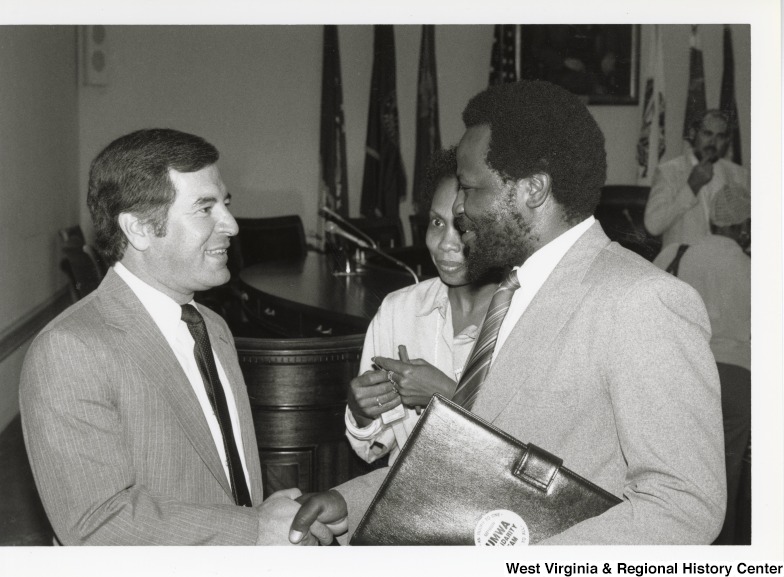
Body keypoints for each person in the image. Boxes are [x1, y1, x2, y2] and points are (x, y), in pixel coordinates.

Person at [290, 80, 726, 545]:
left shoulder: (642, 300)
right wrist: (351, 503)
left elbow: (684, 505)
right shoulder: (512, 290)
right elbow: (482, 461)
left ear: (533, 190)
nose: (458, 208)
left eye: (471, 189)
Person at [20, 128, 333, 546]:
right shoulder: (70, 350)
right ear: (139, 229)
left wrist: (267, 521)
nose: (232, 225)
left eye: (225, 203)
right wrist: (255, 530)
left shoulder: (213, 326)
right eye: (205, 208)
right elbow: (97, 526)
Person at [344, 148, 498, 465]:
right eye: (437, 223)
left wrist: (446, 396)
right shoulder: (398, 311)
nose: (445, 244)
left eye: (464, 226)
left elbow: (530, 452)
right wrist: (361, 411)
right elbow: (374, 446)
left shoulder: (526, 317)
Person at [653, 184, 751, 545]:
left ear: (710, 217)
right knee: (728, 476)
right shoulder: (757, 269)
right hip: (741, 381)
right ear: (745, 227)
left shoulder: (677, 252)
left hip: (688, 374)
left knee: (679, 472)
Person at [644, 109, 749, 247]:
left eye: (720, 136)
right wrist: (691, 187)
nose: (713, 142)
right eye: (707, 133)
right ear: (693, 134)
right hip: (683, 263)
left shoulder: (739, 174)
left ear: (727, 140)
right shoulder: (669, 172)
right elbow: (653, 226)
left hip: (724, 263)